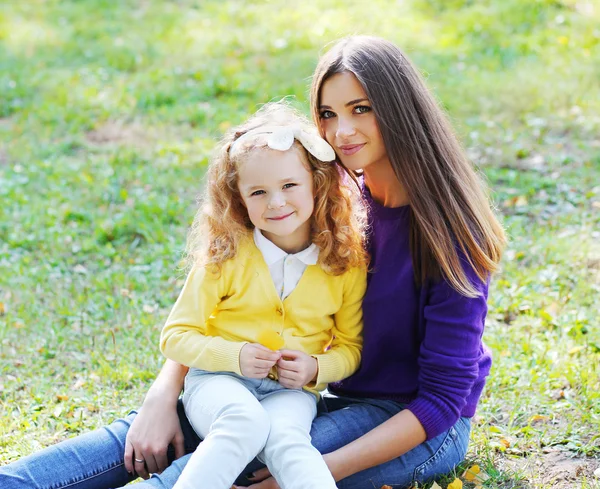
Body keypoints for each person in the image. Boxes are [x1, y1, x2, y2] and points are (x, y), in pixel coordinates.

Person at [0, 35, 506, 489]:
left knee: (242, 456)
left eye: (361, 108)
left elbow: (440, 404)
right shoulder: (330, 197)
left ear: (399, 109)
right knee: (155, 429)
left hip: (413, 422)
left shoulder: (449, 233)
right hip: (305, 388)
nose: (341, 130)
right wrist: (164, 390)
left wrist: (302, 475)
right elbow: (231, 290)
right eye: (327, 114)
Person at [158, 102, 367, 489]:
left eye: (289, 185)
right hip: (218, 381)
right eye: (258, 192)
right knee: (243, 422)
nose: (276, 202)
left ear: (317, 184)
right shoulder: (226, 256)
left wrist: (316, 369)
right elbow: (175, 337)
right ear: (239, 199)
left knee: (290, 443)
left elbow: (352, 348)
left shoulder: (344, 263)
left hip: (291, 393)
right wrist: (234, 356)